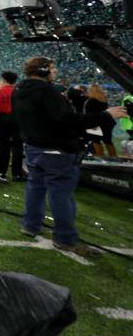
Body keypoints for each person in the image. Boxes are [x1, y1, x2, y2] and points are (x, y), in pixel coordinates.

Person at [13, 56, 126, 257]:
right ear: (42, 70)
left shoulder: (19, 89)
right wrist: (106, 115)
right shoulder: (48, 91)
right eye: (53, 68)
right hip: (57, 151)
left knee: (35, 187)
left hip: (33, 147)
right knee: (60, 194)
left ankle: (30, 225)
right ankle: (65, 239)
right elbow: (67, 120)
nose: (55, 71)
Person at [0, 71, 25, 181]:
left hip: (2, 119)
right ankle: (17, 173)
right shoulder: (20, 92)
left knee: (3, 147)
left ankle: (2, 172)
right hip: (18, 120)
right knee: (18, 147)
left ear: (4, 80)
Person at [83, 83, 116, 156]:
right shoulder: (103, 100)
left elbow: (89, 116)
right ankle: (114, 157)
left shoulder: (91, 101)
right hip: (106, 124)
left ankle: (100, 157)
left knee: (96, 142)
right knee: (108, 141)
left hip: (94, 124)